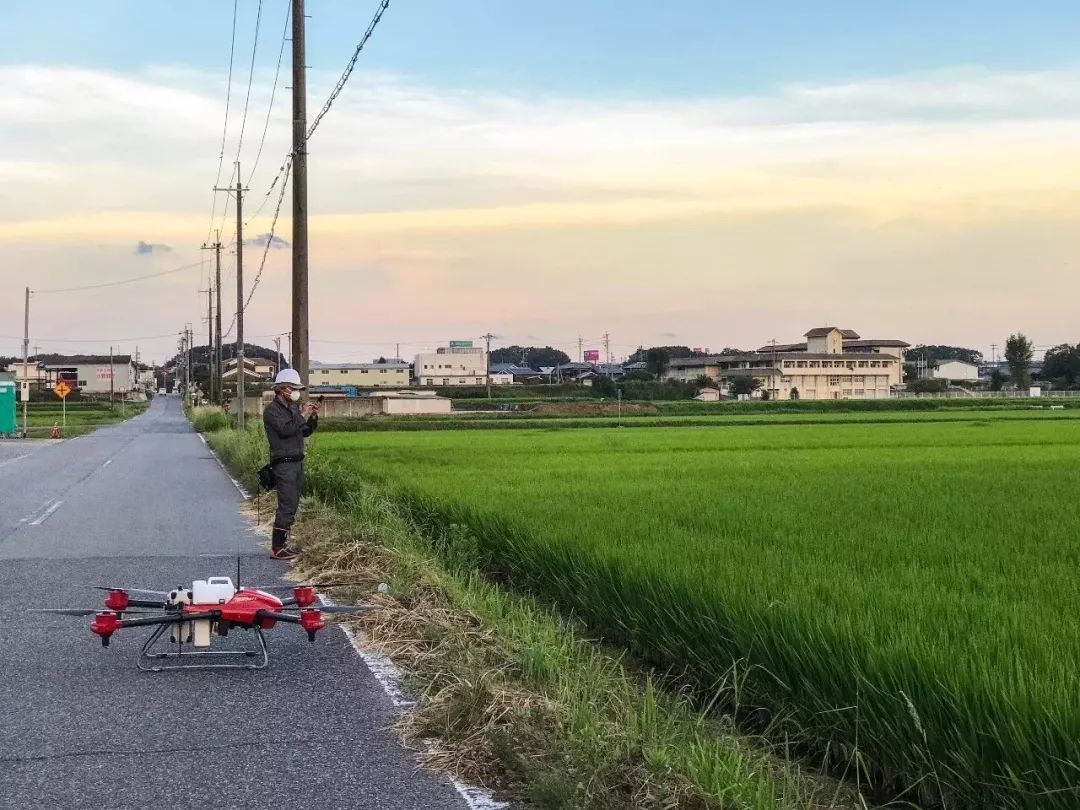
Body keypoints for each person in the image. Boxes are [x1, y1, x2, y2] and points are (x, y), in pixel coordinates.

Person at [263, 368, 319, 560]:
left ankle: (284, 543)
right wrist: (302, 415)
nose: (296, 391)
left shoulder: (293, 409)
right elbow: (286, 430)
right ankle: (277, 547)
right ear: (282, 389)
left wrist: (312, 417)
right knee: (286, 505)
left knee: (293, 504)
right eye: (292, 388)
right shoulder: (271, 411)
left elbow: (303, 431)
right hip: (283, 464)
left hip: (297, 462)